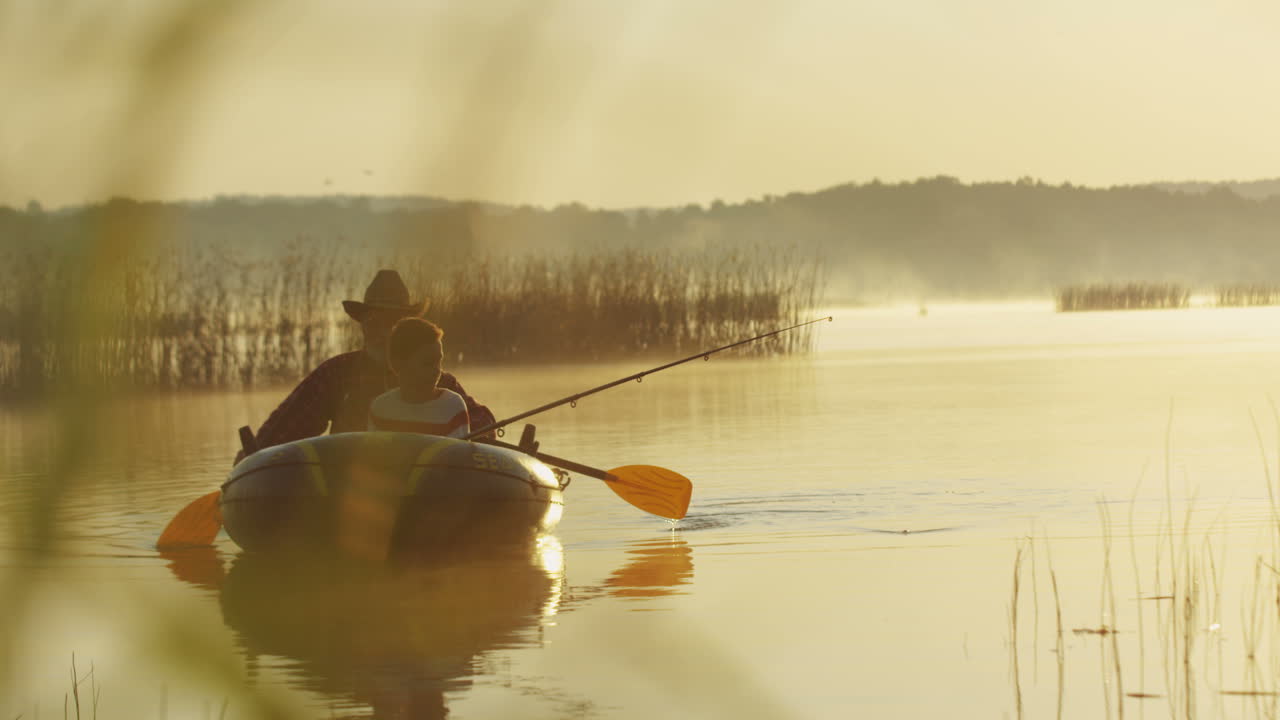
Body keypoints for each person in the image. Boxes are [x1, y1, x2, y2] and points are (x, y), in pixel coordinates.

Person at [237, 270, 495, 462]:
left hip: (430, 489)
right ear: (363, 324)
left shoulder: (436, 378)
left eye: (393, 322)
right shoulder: (337, 373)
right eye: (375, 321)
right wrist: (254, 458)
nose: (383, 332)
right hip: (349, 493)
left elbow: (482, 424)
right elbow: (290, 425)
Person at [367, 317, 470, 438]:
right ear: (398, 364)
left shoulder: (453, 407)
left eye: (439, 361)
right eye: (427, 363)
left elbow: (456, 455)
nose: (438, 371)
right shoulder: (380, 409)